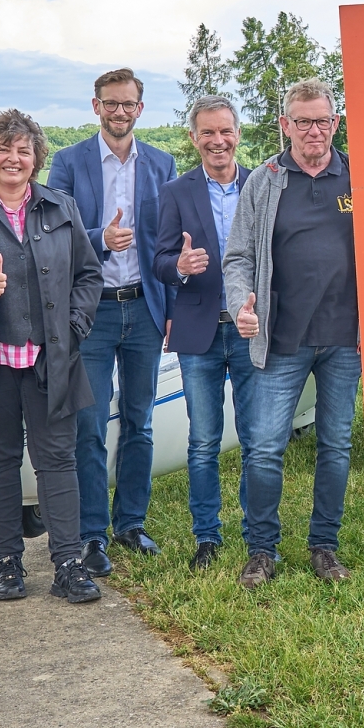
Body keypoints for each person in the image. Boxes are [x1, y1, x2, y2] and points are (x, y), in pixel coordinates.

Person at [225, 79, 364, 590]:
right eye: (302, 121)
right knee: (263, 447)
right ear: (285, 125)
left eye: (322, 120)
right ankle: (261, 549)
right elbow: (238, 256)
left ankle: (324, 546)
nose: (313, 130)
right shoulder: (264, 181)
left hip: (345, 337)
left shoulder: (361, 178)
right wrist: (240, 301)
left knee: (336, 444)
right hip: (282, 336)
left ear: (336, 123)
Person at [0, 110, 105, 605]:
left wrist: (74, 329)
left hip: (50, 360)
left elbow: (88, 275)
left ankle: (68, 564)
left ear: (36, 159)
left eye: (24, 150)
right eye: (4, 149)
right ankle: (7, 562)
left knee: (57, 461)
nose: (14, 159)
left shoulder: (61, 207)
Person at [48, 67, 178, 575]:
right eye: (111, 103)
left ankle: (131, 524)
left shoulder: (161, 164)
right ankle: (92, 534)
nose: (120, 112)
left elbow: (168, 240)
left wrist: (169, 307)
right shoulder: (68, 163)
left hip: (144, 307)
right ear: (96, 105)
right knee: (91, 423)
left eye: (128, 104)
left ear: (140, 110)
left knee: (141, 422)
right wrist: (102, 237)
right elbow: (53, 230)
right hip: (94, 308)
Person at [155, 96, 252, 570]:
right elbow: (159, 261)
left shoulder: (263, 183)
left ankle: (257, 533)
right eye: (207, 133)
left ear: (238, 134)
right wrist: (180, 265)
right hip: (199, 333)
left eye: (225, 131)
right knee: (203, 441)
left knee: (258, 438)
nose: (218, 141)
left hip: (254, 330)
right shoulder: (176, 192)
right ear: (193, 138)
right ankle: (207, 537)